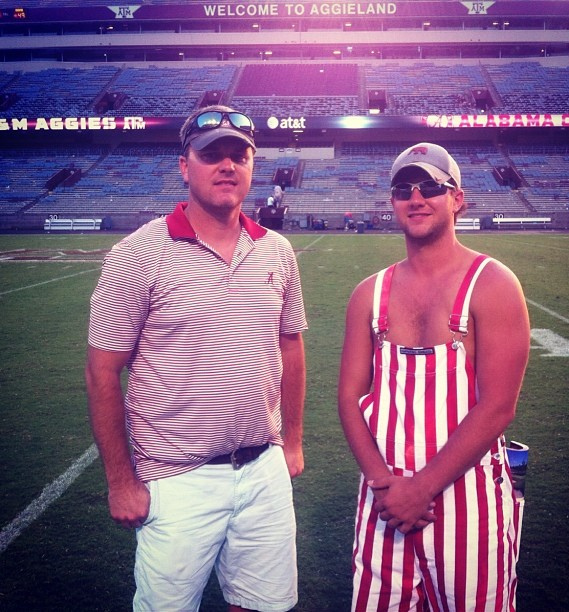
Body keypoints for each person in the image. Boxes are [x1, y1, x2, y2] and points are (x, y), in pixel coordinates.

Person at [85, 104, 307, 612]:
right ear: (185, 166)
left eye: (239, 155)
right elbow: (102, 371)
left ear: (253, 165)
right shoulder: (138, 254)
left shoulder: (276, 250)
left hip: (263, 470)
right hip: (176, 478)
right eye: (212, 155)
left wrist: (291, 442)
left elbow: (290, 343)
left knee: (263, 605)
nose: (227, 165)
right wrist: (121, 482)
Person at [338, 143, 530, 611]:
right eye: (404, 189)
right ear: (392, 203)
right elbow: (348, 397)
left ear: (457, 198)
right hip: (384, 503)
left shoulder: (493, 282)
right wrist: (385, 485)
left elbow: (498, 406)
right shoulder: (370, 292)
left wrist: (419, 489)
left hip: (470, 505)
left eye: (430, 187)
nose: (416, 198)